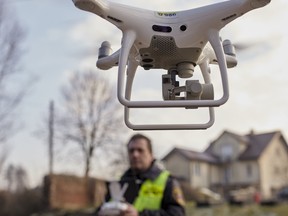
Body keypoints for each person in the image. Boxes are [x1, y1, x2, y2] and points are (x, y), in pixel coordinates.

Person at [97, 133, 186, 216]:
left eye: (140, 150)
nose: (135, 155)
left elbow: (177, 214)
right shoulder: (119, 182)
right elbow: (100, 210)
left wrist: (140, 214)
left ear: (151, 155)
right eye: (131, 151)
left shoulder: (168, 181)